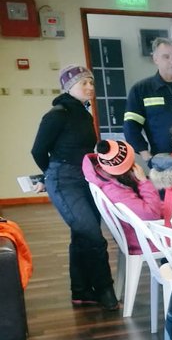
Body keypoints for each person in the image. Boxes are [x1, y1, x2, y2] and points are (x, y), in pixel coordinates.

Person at [29, 64, 117, 310]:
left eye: (91, 83)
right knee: (92, 235)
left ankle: (80, 292)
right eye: (83, 83)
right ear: (69, 87)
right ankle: (104, 289)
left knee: (81, 236)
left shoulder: (83, 113)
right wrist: (50, 175)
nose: (90, 87)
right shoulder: (57, 114)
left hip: (85, 178)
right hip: (64, 180)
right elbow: (38, 150)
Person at [82, 140, 163, 254]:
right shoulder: (116, 192)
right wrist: (144, 182)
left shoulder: (107, 177)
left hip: (138, 232)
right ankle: (169, 266)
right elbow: (152, 214)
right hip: (145, 239)